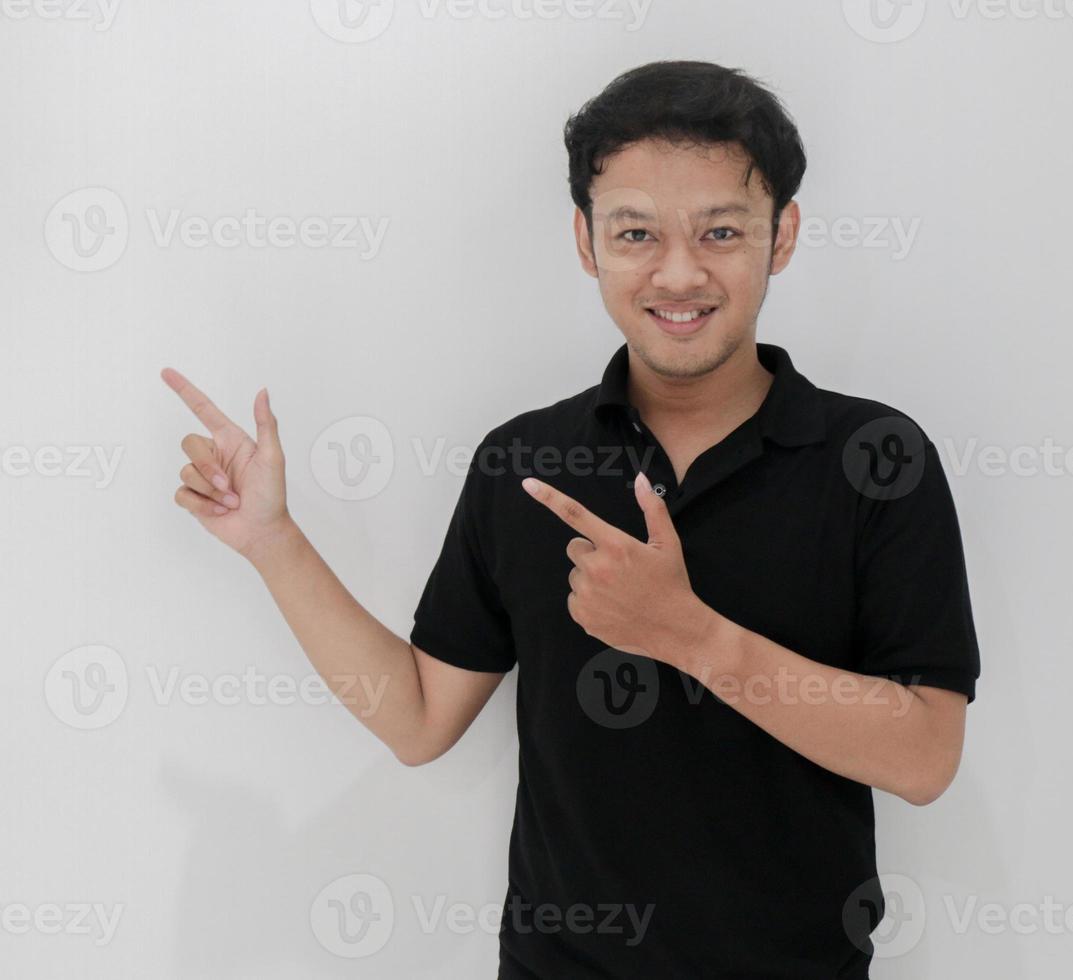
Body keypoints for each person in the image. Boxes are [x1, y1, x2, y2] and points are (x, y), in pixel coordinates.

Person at [161, 59, 980, 980]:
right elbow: (419, 719)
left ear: (780, 236)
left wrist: (693, 636)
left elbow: (925, 755)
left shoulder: (877, 460)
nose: (680, 272)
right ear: (588, 243)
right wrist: (273, 540)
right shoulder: (524, 462)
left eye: (721, 230)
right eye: (637, 232)